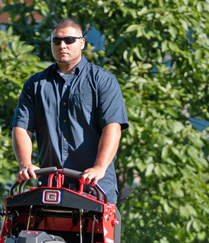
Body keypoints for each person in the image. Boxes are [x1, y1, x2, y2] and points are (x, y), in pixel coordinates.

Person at [10, 18, 128, 205]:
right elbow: (22, 128)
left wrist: (99, 167)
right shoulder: (35, 84)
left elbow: (112, 127)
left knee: (92, 236)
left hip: (94, 188)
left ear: (82, 42)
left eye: (69, 40)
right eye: (56, 41)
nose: (62, 45)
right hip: (50, 187)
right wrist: (25, 164)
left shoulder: (103, 80)